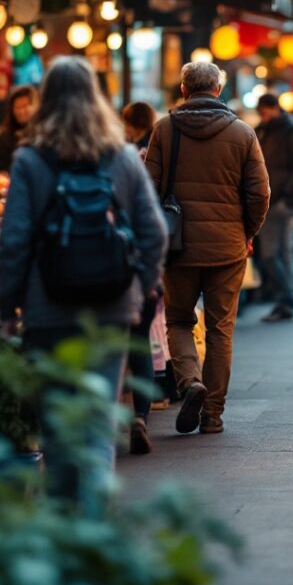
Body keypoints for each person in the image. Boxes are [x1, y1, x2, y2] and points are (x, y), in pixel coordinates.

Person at [0, 56, 167, 484]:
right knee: (96, 428)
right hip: (109, 311)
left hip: (46, 311)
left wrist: (7, 309)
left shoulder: (30, 161)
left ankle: (63, 532)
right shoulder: (123, 158)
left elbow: (14, 240)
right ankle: (93, 530)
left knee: (55, 432)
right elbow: (155, 233)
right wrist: (139, 287)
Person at [145, 61, 269, 435]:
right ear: (218, 90)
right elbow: (260, 193)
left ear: (184, 91)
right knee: (219, 329)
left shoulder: (165, 130)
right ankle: (213, 413)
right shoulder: (243, 133)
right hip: (227, 248)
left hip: (178, 248)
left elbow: (147, 190)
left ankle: (189, 382)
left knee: (179, 320)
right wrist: (246, 231)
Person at [122, 98, 162, 451]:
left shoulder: (44, 160)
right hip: (129, 270)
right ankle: (140, 417)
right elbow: (155, 230)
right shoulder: (132, 162)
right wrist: (150, 279)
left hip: (76, 279)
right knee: (138, 346)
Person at [254, 93, 293, 323]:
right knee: (284, 252)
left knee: (270, 254)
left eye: (264, 112)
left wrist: (286, 196)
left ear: (273, 108)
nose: (262, 117)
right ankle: (286, 300)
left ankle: (285, 299)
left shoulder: (289, 131)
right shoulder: (264, 130)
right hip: (276, 199)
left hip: (278, 201)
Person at [0, 86, 38, 173]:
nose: (21, 111)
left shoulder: (43, 136)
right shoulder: (4, 138)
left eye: (25, 106)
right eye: (17, 107)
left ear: (36, 106)